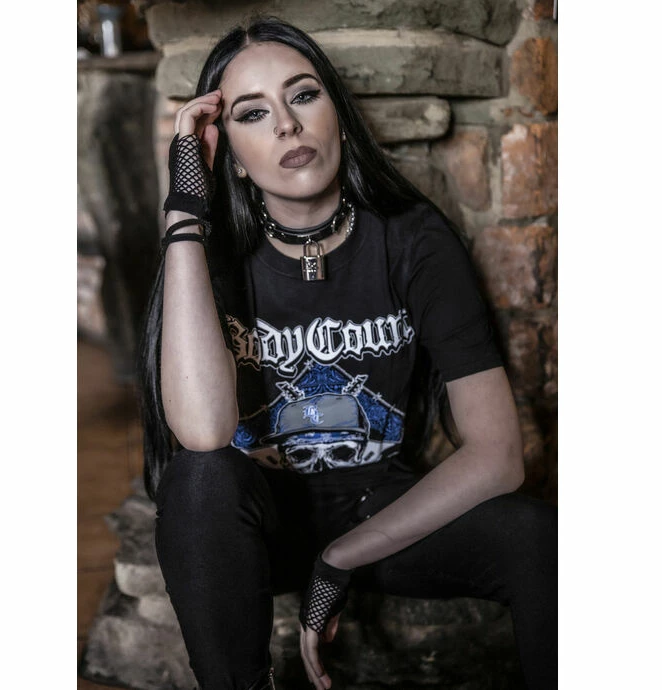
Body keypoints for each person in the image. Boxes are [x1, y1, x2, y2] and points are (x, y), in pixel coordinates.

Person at [139, 15, 557, 690]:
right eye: (253, 113)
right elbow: (204, 434)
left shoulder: (413, 240)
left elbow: (499, 456)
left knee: (540, 538)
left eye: (303, 96)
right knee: (200, 481)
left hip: (379, 510)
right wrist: (186, 207)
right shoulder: (208, 257)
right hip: (256, 527)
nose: (287, 125)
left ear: (336, 113)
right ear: (233, 154)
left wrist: (343, 556)